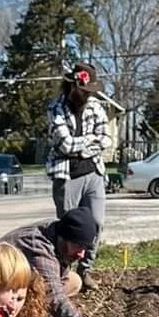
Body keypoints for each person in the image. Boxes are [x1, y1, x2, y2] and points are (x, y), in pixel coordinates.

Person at [3, 208, 118, 317]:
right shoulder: (39, 246)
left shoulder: (57, 233)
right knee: (40, 297)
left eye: (85, 248)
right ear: (64, 238)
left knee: (73, 281)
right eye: (78, 246)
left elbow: (59, 278)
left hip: (17, 280)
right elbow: (55, 297)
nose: (81, 255)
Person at [46, 64, 110, 253]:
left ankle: (85, 270)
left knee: (96, 223)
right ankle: (65, 272)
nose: (88, 95)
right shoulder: (55, 109)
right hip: (66, 176)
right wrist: (91, 140)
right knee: (69, 229)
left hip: (94, 172)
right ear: (73, 87)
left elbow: (106, 139)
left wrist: (82, 147)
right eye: (84, 91)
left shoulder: (96, 106)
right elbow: (65, 144)